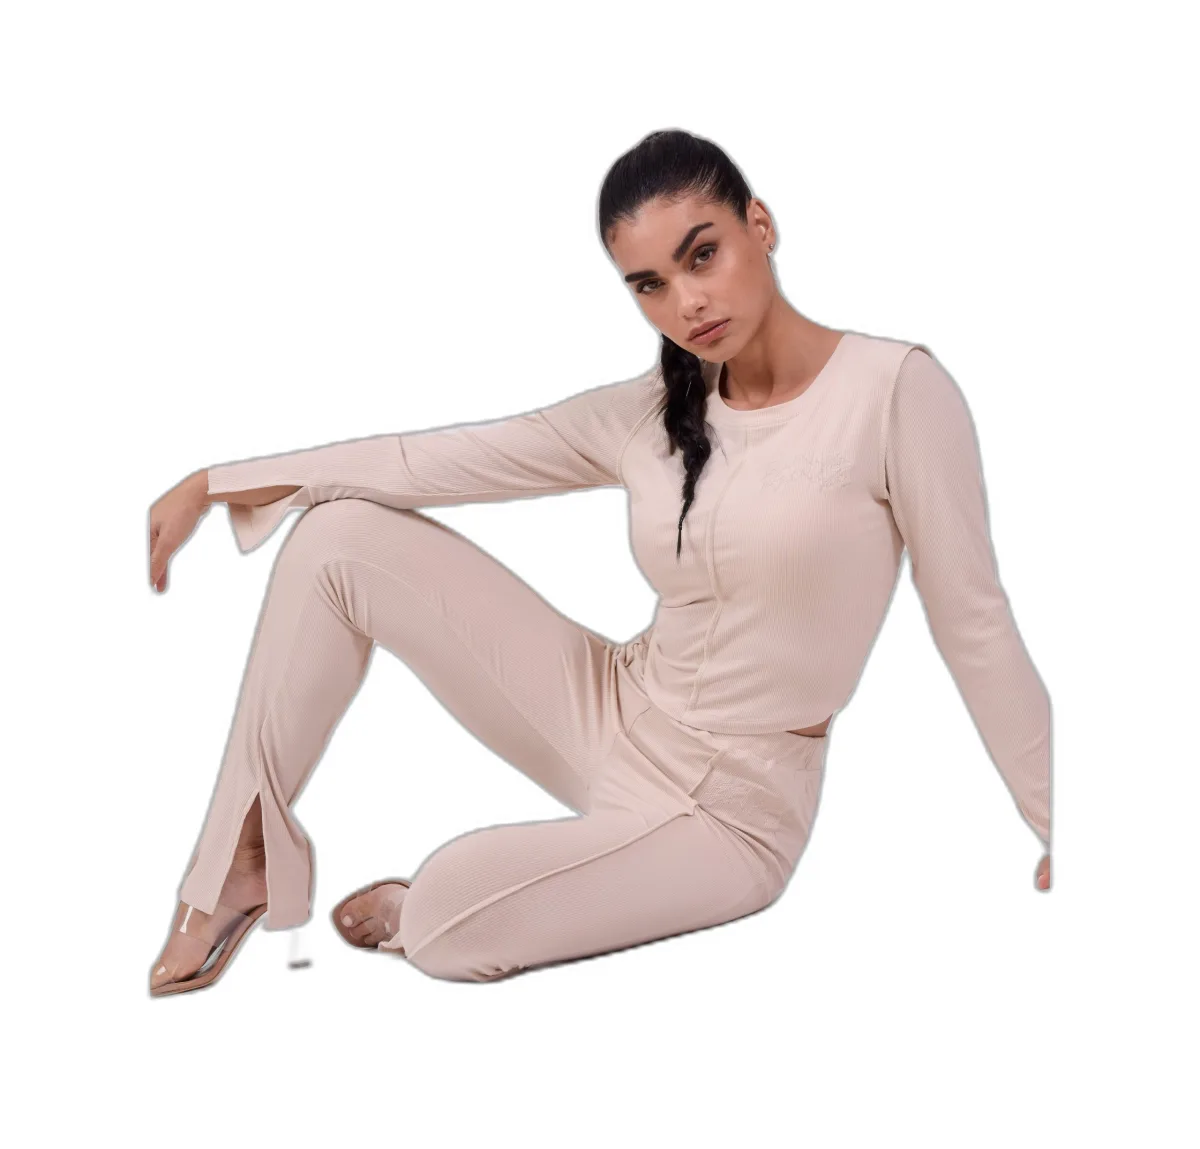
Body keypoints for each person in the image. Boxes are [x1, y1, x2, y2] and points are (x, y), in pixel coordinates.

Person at [147, 128, 1053, 996]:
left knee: (449, 914)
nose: (687, 303)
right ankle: (238, 858)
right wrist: (219, 483)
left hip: (731, 814)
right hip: (612, 711)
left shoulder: (895, 392)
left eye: (703, 255)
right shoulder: (652, 410)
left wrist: (1061, 820)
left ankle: (442, 905)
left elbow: (973, 621)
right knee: (336, 540)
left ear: (761, 224)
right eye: (651, 285)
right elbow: (434, 460)